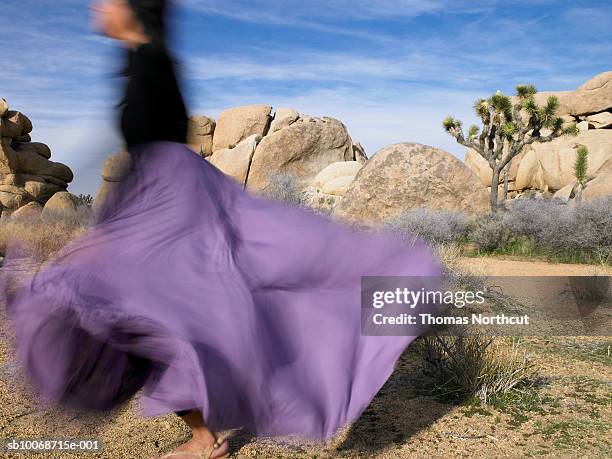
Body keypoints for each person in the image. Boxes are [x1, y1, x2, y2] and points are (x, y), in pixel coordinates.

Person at [2, 1, 443, 458]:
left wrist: (131, 227)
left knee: (149, 308)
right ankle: (203, 436)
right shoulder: (138, 61)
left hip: (170, 201)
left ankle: (211, 431)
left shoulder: (153, 60)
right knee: (143, 314)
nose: (98, 6)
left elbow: (163, 147)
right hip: (156, 199)